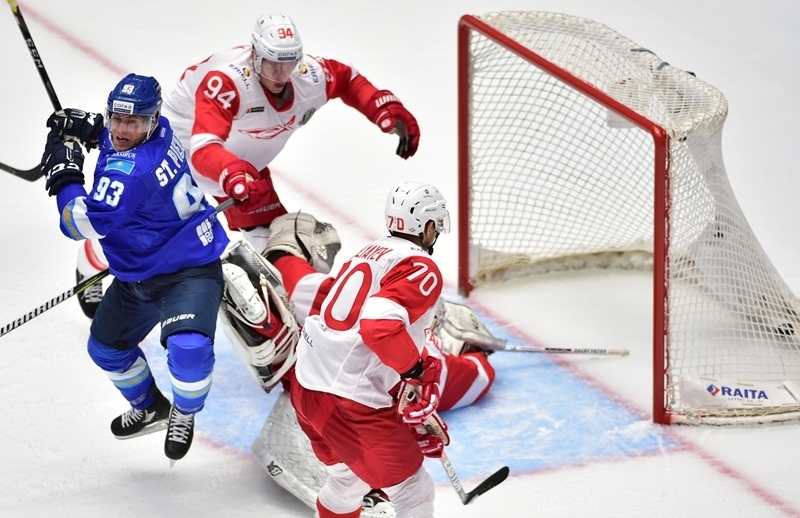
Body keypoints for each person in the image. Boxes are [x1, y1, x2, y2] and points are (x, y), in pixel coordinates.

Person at [74, 12, 421, 317]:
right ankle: (93, 256)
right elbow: (204, 150)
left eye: (289, 63)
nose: (281, 74)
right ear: (255, 56)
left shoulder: (309, 76)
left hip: (240, 159)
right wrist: (232, 174)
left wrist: (383, 107)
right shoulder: (226, 83)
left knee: (271, 238)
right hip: (181, 147)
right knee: (157, 228)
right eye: (272, 64)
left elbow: (348, 79)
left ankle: (301, 306)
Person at [41, 73, 230, 462]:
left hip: (189, 268)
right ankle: (150, 407)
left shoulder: (131, 173)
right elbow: (117, 141)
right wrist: (94, 129)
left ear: (151, 118)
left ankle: (184, 411)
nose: (121, 130)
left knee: (189, 348)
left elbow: (78, 224)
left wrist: (65, 175)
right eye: (116, 119)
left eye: (132, 122)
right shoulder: (159, 129)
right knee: (105, 349)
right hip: (139, 271)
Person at [286, 181, 451, 518]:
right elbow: (378, 326)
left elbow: (356, 336)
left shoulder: (368, 252)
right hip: (348, 399)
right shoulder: (420, 266)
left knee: (349, 480)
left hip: (307, 388)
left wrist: (407, 386)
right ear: (427, 227)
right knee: (414, 492)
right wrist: (414, 372)